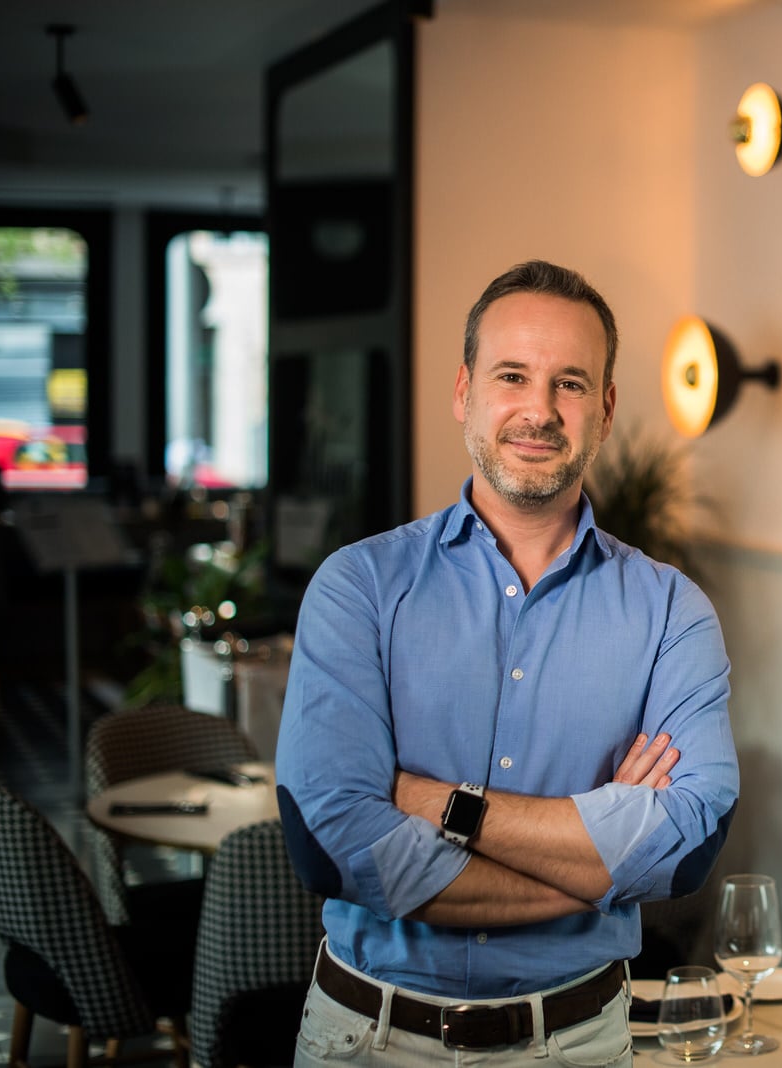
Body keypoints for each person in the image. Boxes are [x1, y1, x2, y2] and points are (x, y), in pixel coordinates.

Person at [275, 259, 740, 1067]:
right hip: (369, 1041)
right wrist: (602, 865)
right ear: (464, 392)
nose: (539, 410)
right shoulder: (358, 586)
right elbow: (332, 842)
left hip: (577, 1044)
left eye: (569, 383)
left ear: (605, 407)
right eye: (512, 376)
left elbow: (688, 846)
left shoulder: (671, 609)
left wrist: (437, 803)